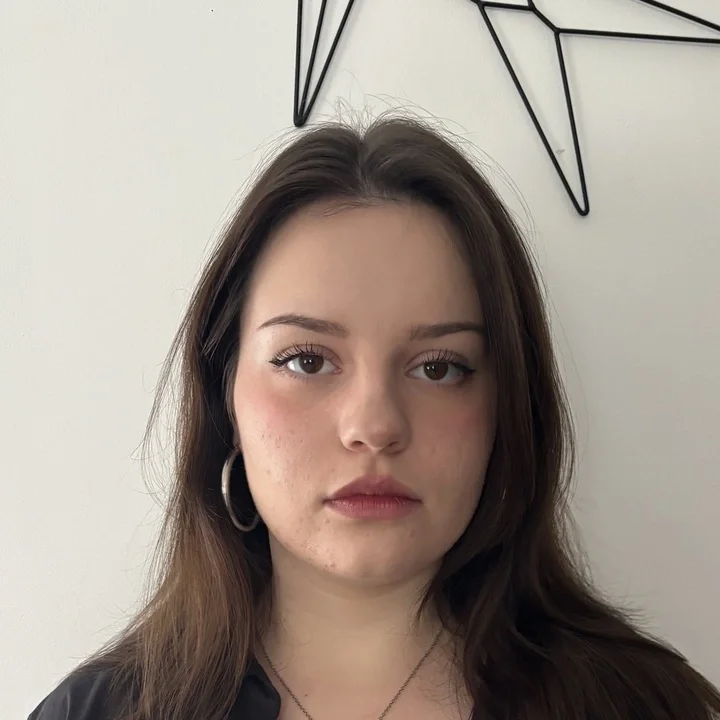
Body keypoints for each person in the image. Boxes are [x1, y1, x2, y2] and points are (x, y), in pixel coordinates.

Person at [28, 115, 720, 720]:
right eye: (306, 360)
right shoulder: (99, 713)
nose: (375, 425)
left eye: (439, 367)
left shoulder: (645, 706)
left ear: (508, 408)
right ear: (224, 397)